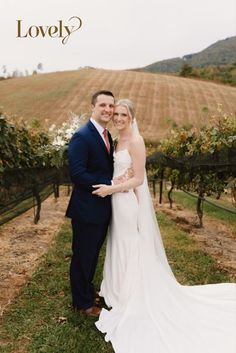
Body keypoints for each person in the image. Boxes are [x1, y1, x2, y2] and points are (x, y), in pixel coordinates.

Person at [93, 99, 236, 353]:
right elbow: (121, 171)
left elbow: (138, 179)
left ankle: (130, 292)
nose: (118, 118)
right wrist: (113, 183)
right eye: (115, 114)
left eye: (123, 114)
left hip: (124, 201)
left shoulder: (136, 142)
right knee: (117, 242)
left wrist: (112, 188)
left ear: (132, 116)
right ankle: (115, 288)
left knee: (129, 242)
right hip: (115, 198)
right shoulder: (117, 141)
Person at [65, 90, 115, 317]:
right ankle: (82, 304)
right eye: (102, 105)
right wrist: (110, 183)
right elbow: (77, 174)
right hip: (86, 209)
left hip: (101, 209)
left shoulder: (106, 135)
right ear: (93, 107)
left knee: (92, 254)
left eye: (111, 106)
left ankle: (87, 290)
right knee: (82, 256)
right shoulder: (82, 136)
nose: (107, 109)